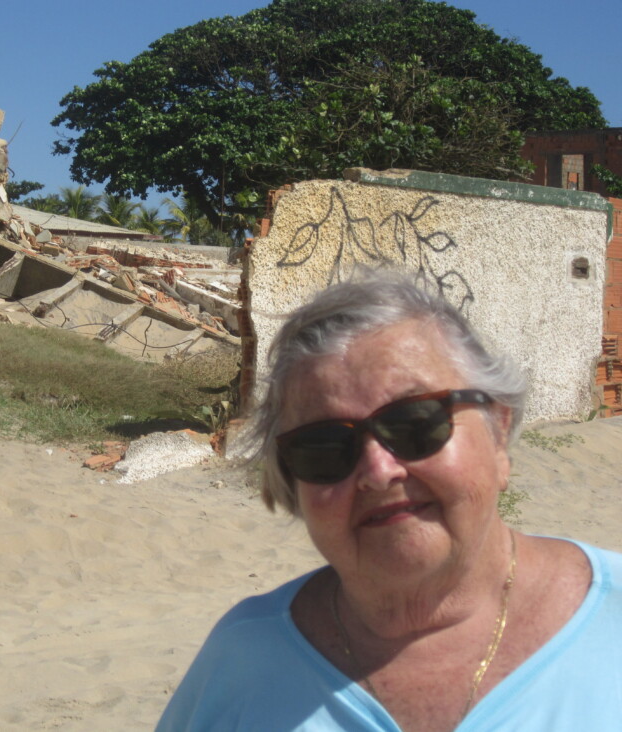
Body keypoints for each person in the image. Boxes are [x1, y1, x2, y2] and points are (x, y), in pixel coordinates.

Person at [156, 270, 622, 731]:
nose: (378, 472)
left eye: (416, 423)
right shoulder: (242, 663)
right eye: (324, 447)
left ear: (498, 432)